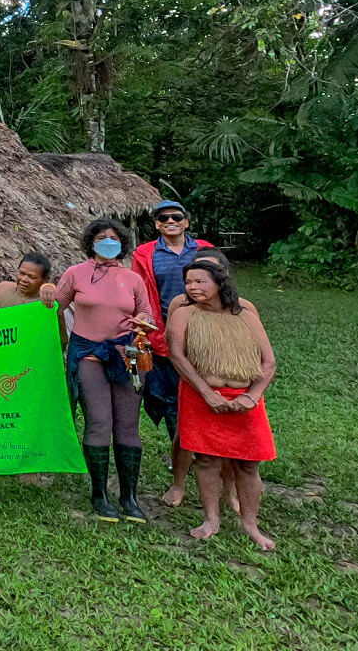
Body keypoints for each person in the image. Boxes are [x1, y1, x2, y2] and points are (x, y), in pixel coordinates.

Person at [41, 218, 154, 524]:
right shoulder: (76, 273)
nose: (108, 242)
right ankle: (99, 494)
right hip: (88, 351)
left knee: (128, 425)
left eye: (113, 238)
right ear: (91, 242)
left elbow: (146, 311)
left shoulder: (132, 279)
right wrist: (49, 289)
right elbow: (54, 307)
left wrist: (142, 320)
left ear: (122, 244)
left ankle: (129, 497)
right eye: (101, 238)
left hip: (127, 352)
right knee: (99, 420)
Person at [167, 262, 278, 550]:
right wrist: (207, 393)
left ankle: (251, 524)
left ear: (219, 282)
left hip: (246, 399)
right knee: (207, 460)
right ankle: (210, 519)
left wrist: (252, 395)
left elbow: (269, 362)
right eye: (188, 282)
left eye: (200, 281)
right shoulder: (184, 314)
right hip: (201, 396)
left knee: (249, 463)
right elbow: (177, 356)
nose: (192, 287)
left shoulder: (246, 315)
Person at [130, 201, 215, 507]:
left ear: (186, 222)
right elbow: (141, 293)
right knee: (171, 402)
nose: (170, 221)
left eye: (175, 217)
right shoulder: (146, 253)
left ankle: (205, 456)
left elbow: (221, 285)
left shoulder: (204, 249)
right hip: (163, 335)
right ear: (156, 224)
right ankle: (182, 459)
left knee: (206, 396)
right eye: (163, 218)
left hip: (204, 336)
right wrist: (150, 331)